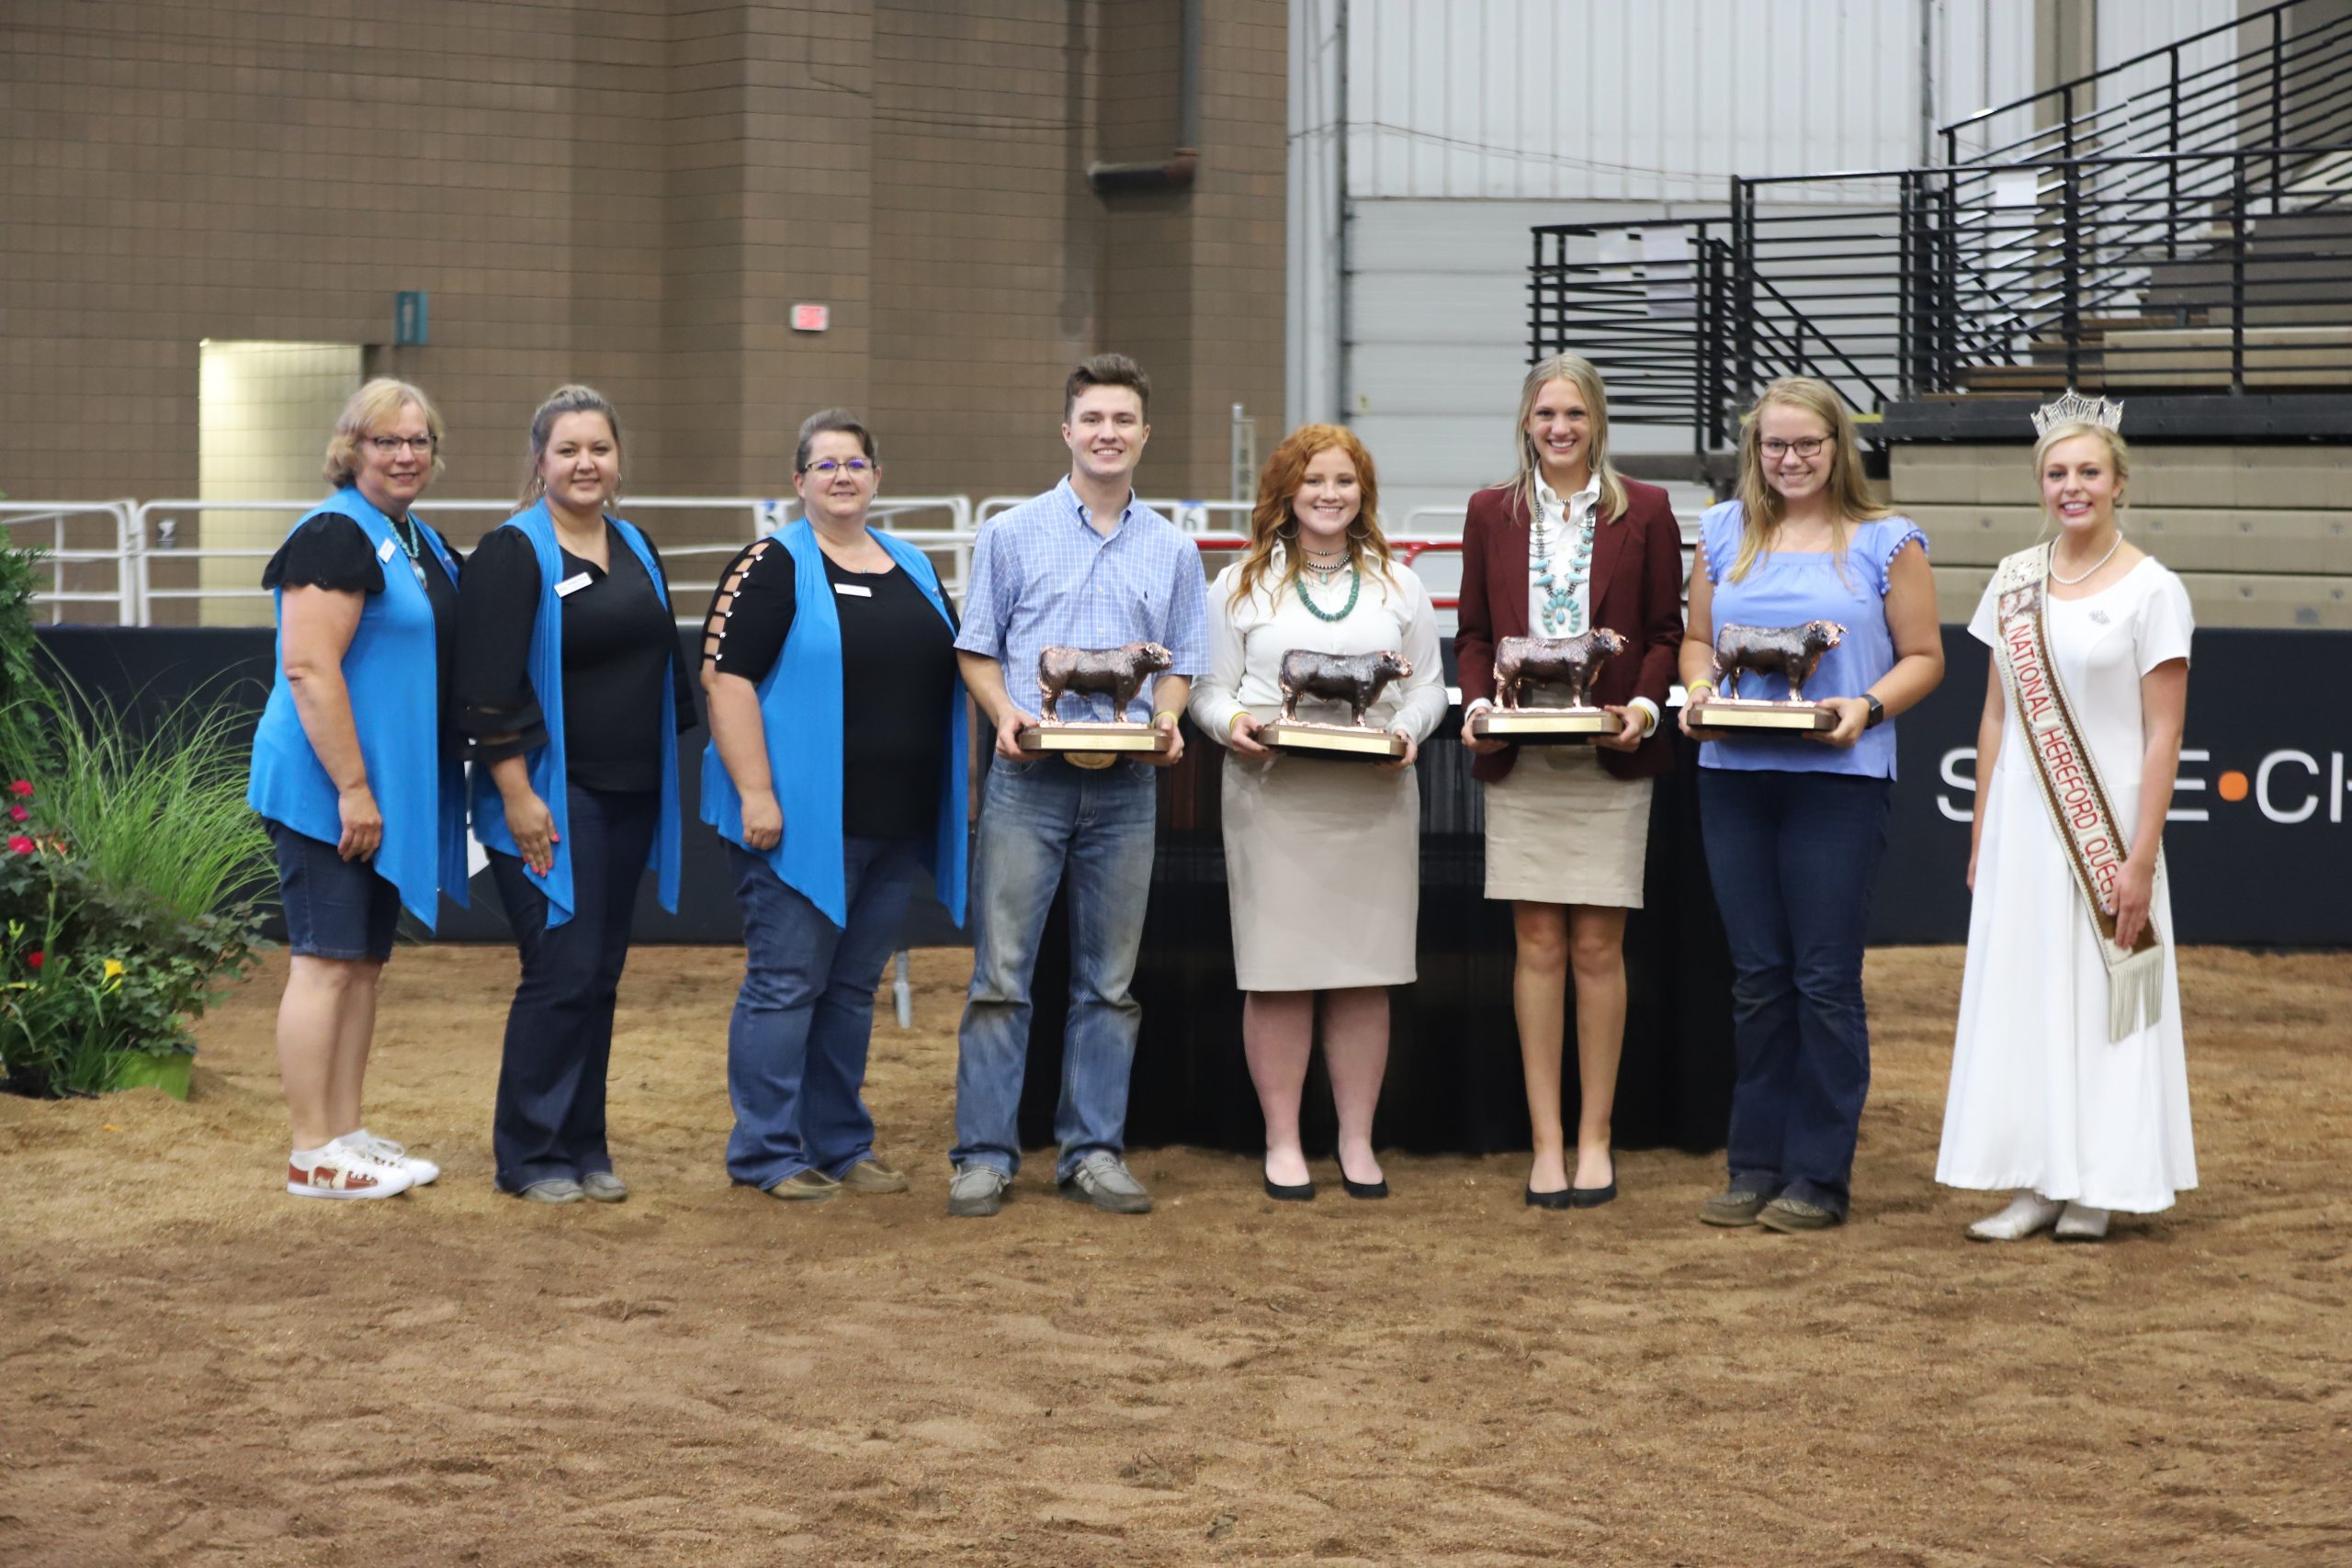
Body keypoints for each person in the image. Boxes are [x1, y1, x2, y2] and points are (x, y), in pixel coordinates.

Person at [945, 353, 1209, 1218]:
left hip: (1127, 789)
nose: (1108, 434)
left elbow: (1183, 665)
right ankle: (984, 1155)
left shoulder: (1173, 549)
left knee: (1110, 982)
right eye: (1093, 419)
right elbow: (977, 649)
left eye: (1123, 420)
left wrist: (1165, 721)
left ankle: (1093, 1151)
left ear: (1144, 434)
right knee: (1002, 976)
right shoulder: (1013, 533)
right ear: (1068, 431)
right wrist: (1008, 715)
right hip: (1030, 783)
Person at [1679, 376, 1944, 1234]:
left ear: (1839, 448)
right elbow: (1695, 641)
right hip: (1734, 770)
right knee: (1757, 977)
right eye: (1774, 445)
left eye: (1808, 444)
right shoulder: (1723, 533)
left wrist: (1864, 707)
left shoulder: (1886, 541)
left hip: (1840, 778)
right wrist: (1694, 691)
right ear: (1755, 452)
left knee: (1823, 980)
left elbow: (1925, 656)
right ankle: (1753, 1162)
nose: (1791, 459)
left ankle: (1818, 1175)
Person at [1937, 403, 2196, 1242]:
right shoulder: (2013, 578)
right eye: (2057, 473)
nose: (2072, 486)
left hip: (2108, 824)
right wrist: (1982, 828)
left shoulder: (2155, 588)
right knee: (2026, 993)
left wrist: (2141, 857)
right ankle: (2036, 1178)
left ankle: (2100, 1183)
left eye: (2089, 471)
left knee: (2107, 997)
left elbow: (2166, 732)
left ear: (2119, 481)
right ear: (2040, 486)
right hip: (2021, 824)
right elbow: (1994, 718)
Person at [701, 410, 968, 1203]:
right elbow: (727, 679)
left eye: (856, 463)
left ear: (877, 478)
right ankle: (767, 1152)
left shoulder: (916, 563)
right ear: (799, 482)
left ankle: (840, 1142)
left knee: (852, 988)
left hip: (896, 820)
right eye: (825, 465)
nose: (843, 476)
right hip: (799, 821)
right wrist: (756, 790)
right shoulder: (771, 564)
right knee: (786, 983)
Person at [1188, 424, 1447, 1201]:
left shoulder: (1399, 585)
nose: (1329, 494)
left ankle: (1358, 1143)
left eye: (1345, 480)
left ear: (1362, 492)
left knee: (1365, 974)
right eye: (1314, 480)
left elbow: (1430, 685)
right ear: (1286, 492)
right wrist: (1231, 726)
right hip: (1273, 800)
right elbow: (1208, 689)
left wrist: (1409, 729)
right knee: (1278, 975)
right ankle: (1283, 1141)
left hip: (1373, 804)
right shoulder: (1238, 585)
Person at [1457, 355, 1686, 1211]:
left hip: (1609, 756)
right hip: (1522, 759)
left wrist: (1645, 705)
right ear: (1526, 421)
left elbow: (1666, 630)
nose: (1560, 428)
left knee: (1598, 948)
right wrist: (1479, 704)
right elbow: (1474, 634)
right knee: (1538, 948)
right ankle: (1545, 1144)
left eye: (1576, 415)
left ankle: (1597, 1138)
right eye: (1547, 413)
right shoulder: (1491, 512)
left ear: (1598, 424)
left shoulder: (1650, 511)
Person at [456, 385, 695, 1204]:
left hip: (629, 797)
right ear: (540, 462)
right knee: (558, 970)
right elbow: (485, 689)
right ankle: (529, 1153)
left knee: (598, 973)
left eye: (599, 448)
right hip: (550, 802)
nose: (585, 463)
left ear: (618, 459)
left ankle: (584, 1143)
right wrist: (519, 797)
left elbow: (666, 669)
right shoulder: (511, 552)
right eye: (568, 450)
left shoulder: (635, 544)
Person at [249, 378, 469, 1200]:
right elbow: (307, 667)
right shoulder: (337, 534)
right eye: (387, 441)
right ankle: (311, 1150)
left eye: (419, 441)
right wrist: (351, 786)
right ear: (352, 448)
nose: (405, 454)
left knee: (363, 966)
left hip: (375, 793)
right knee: (324, 964)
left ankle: (344, 1130)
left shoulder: (410, 537)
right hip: (327, 790)